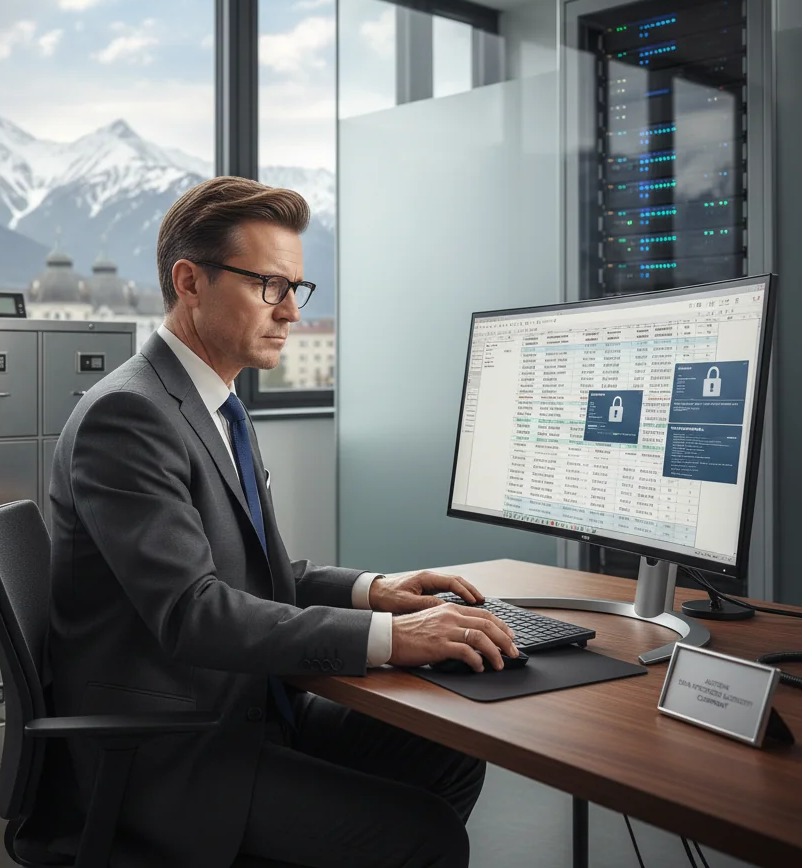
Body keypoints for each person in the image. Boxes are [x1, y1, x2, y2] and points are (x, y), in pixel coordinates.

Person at [46, 176, 519, 868]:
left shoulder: (214, 404)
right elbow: (195, 612)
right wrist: (393, 639)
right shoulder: (130, 416)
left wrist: (374, 591)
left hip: (244, 711)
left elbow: (254, 575)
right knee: (428, 836)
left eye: (296, 287)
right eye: (270, 286)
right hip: (174, 752)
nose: (292, 312)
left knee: (451, 751)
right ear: (190, 282)